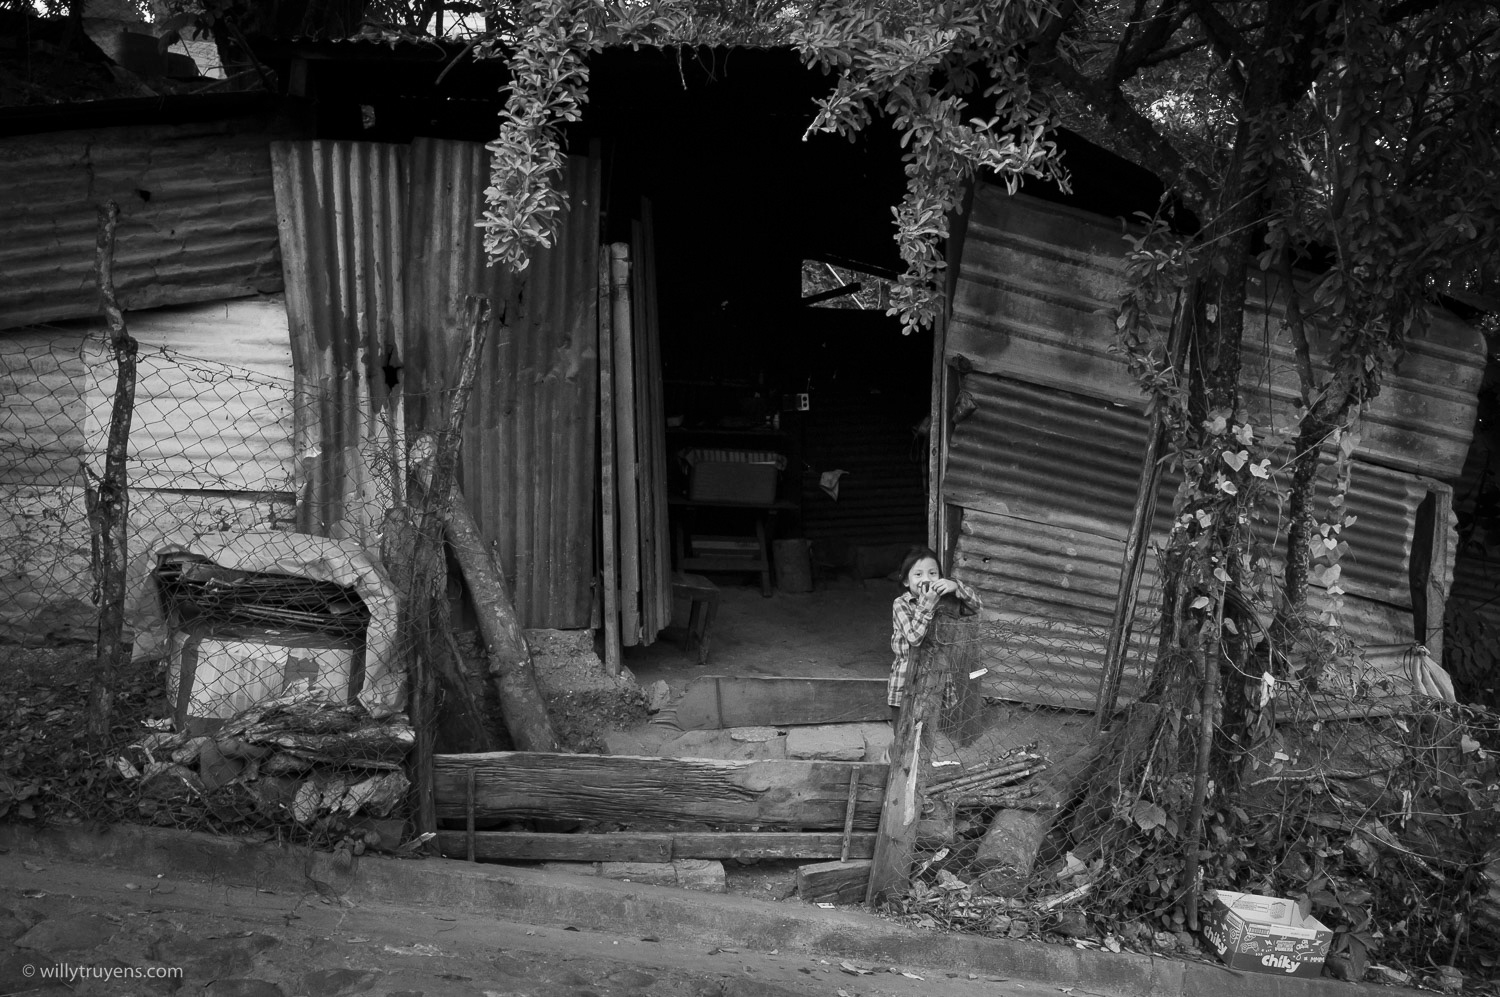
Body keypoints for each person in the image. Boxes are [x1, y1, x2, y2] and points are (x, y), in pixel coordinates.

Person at [888, 545, 982, 716]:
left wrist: (956, 587)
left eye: (933, 573)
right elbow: (914, 638)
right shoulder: (901, 604)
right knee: (903, 732)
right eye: (918, 574)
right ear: (906, 581)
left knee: (927, 725)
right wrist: (928, 603)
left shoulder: (945, 601)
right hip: (906, 678)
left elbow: (976, 607)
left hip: (936, 676)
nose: (927, 579)